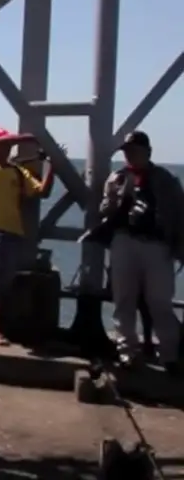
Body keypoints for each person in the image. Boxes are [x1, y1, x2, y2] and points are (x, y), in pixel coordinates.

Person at [98, 131, 183, 375]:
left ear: (147, 151)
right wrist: (117, 200)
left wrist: (178, 248)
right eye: (126, 151)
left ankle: (169, 355)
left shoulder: (166, 179)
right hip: (125, 240)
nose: (129, 155)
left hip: (157, 244)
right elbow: (105, 211)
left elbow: (179, 214)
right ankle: (127, 352)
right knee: (124, 299)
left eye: (133, 150)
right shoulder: (117, 178)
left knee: (160, 302)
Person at [0, 127, 56, 346]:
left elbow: (42, 192)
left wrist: (51, 165)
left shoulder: (18, 171)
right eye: (4, 144)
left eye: (9, 145)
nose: (7, 148)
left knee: (2, 282)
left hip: (14, 233)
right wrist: (25, 137)